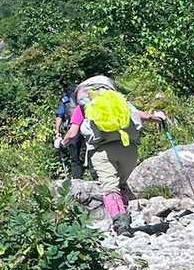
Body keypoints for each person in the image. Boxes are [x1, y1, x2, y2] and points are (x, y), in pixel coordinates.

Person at [60, 75, 167, 234]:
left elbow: (72, 133)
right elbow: (144, 116)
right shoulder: (119, 101)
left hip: (102, 150)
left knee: (109, 187)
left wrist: (61, 143)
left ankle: (120, 221)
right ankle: (125, 217)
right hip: (128, 149)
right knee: (121, 184)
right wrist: (159, 118)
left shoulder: (84, 107)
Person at [52, 90, 84, 180]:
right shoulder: (84, 98)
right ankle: (94, 178)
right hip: (87, 130)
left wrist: (57, 131)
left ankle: (77, 179)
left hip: (73, 131)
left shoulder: (66, 99)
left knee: (75, 159)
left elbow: (59, 116)